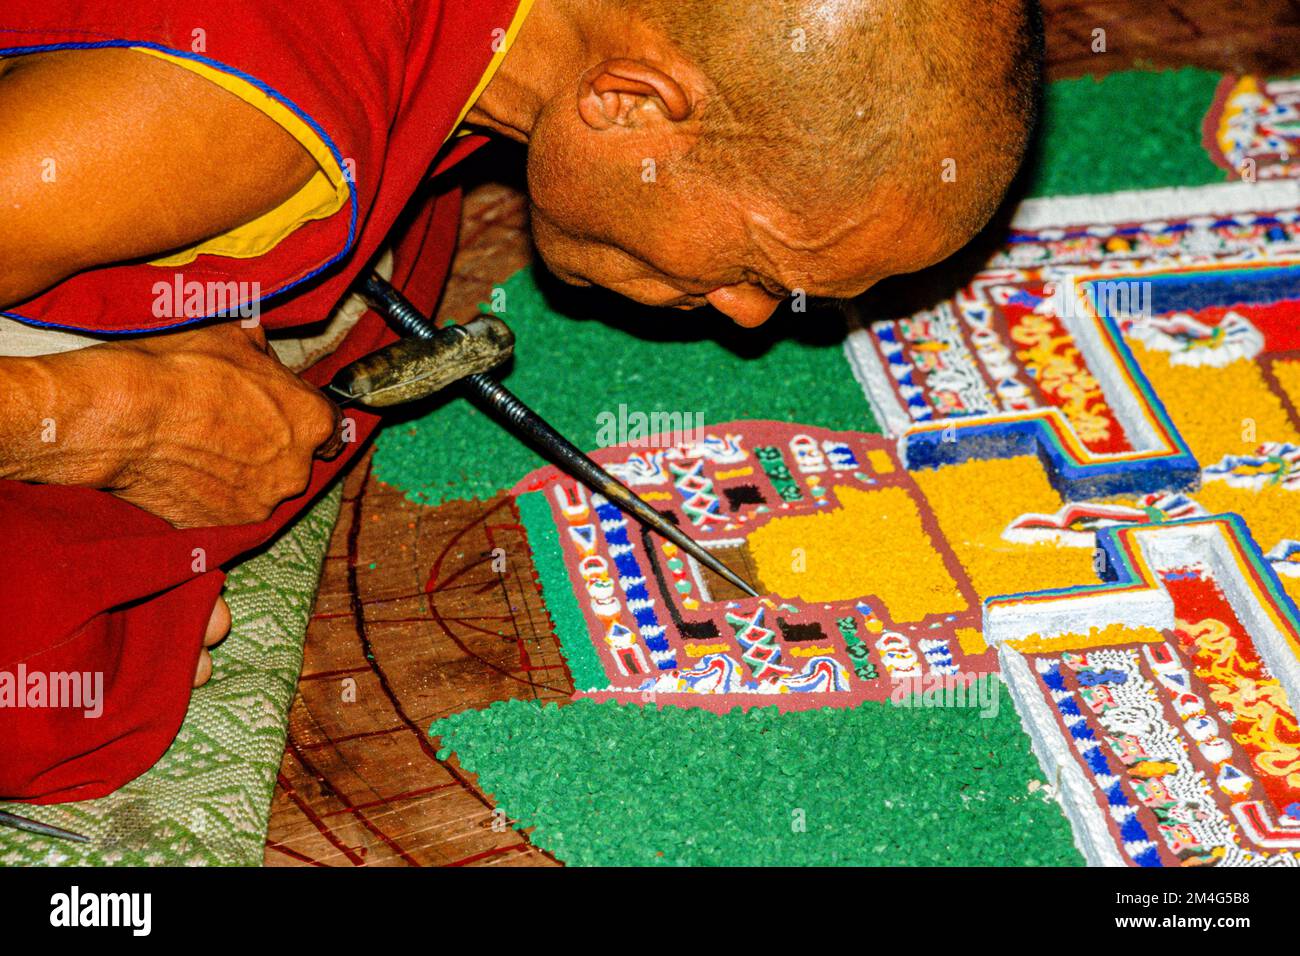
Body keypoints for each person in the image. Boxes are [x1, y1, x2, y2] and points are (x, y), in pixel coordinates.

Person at [0, 0, 1042, 800]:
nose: (748, 316)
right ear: (629, 103)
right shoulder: (235, 121)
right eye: (761, 270)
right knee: (62, 683)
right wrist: (108, 419)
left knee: (394, 259)